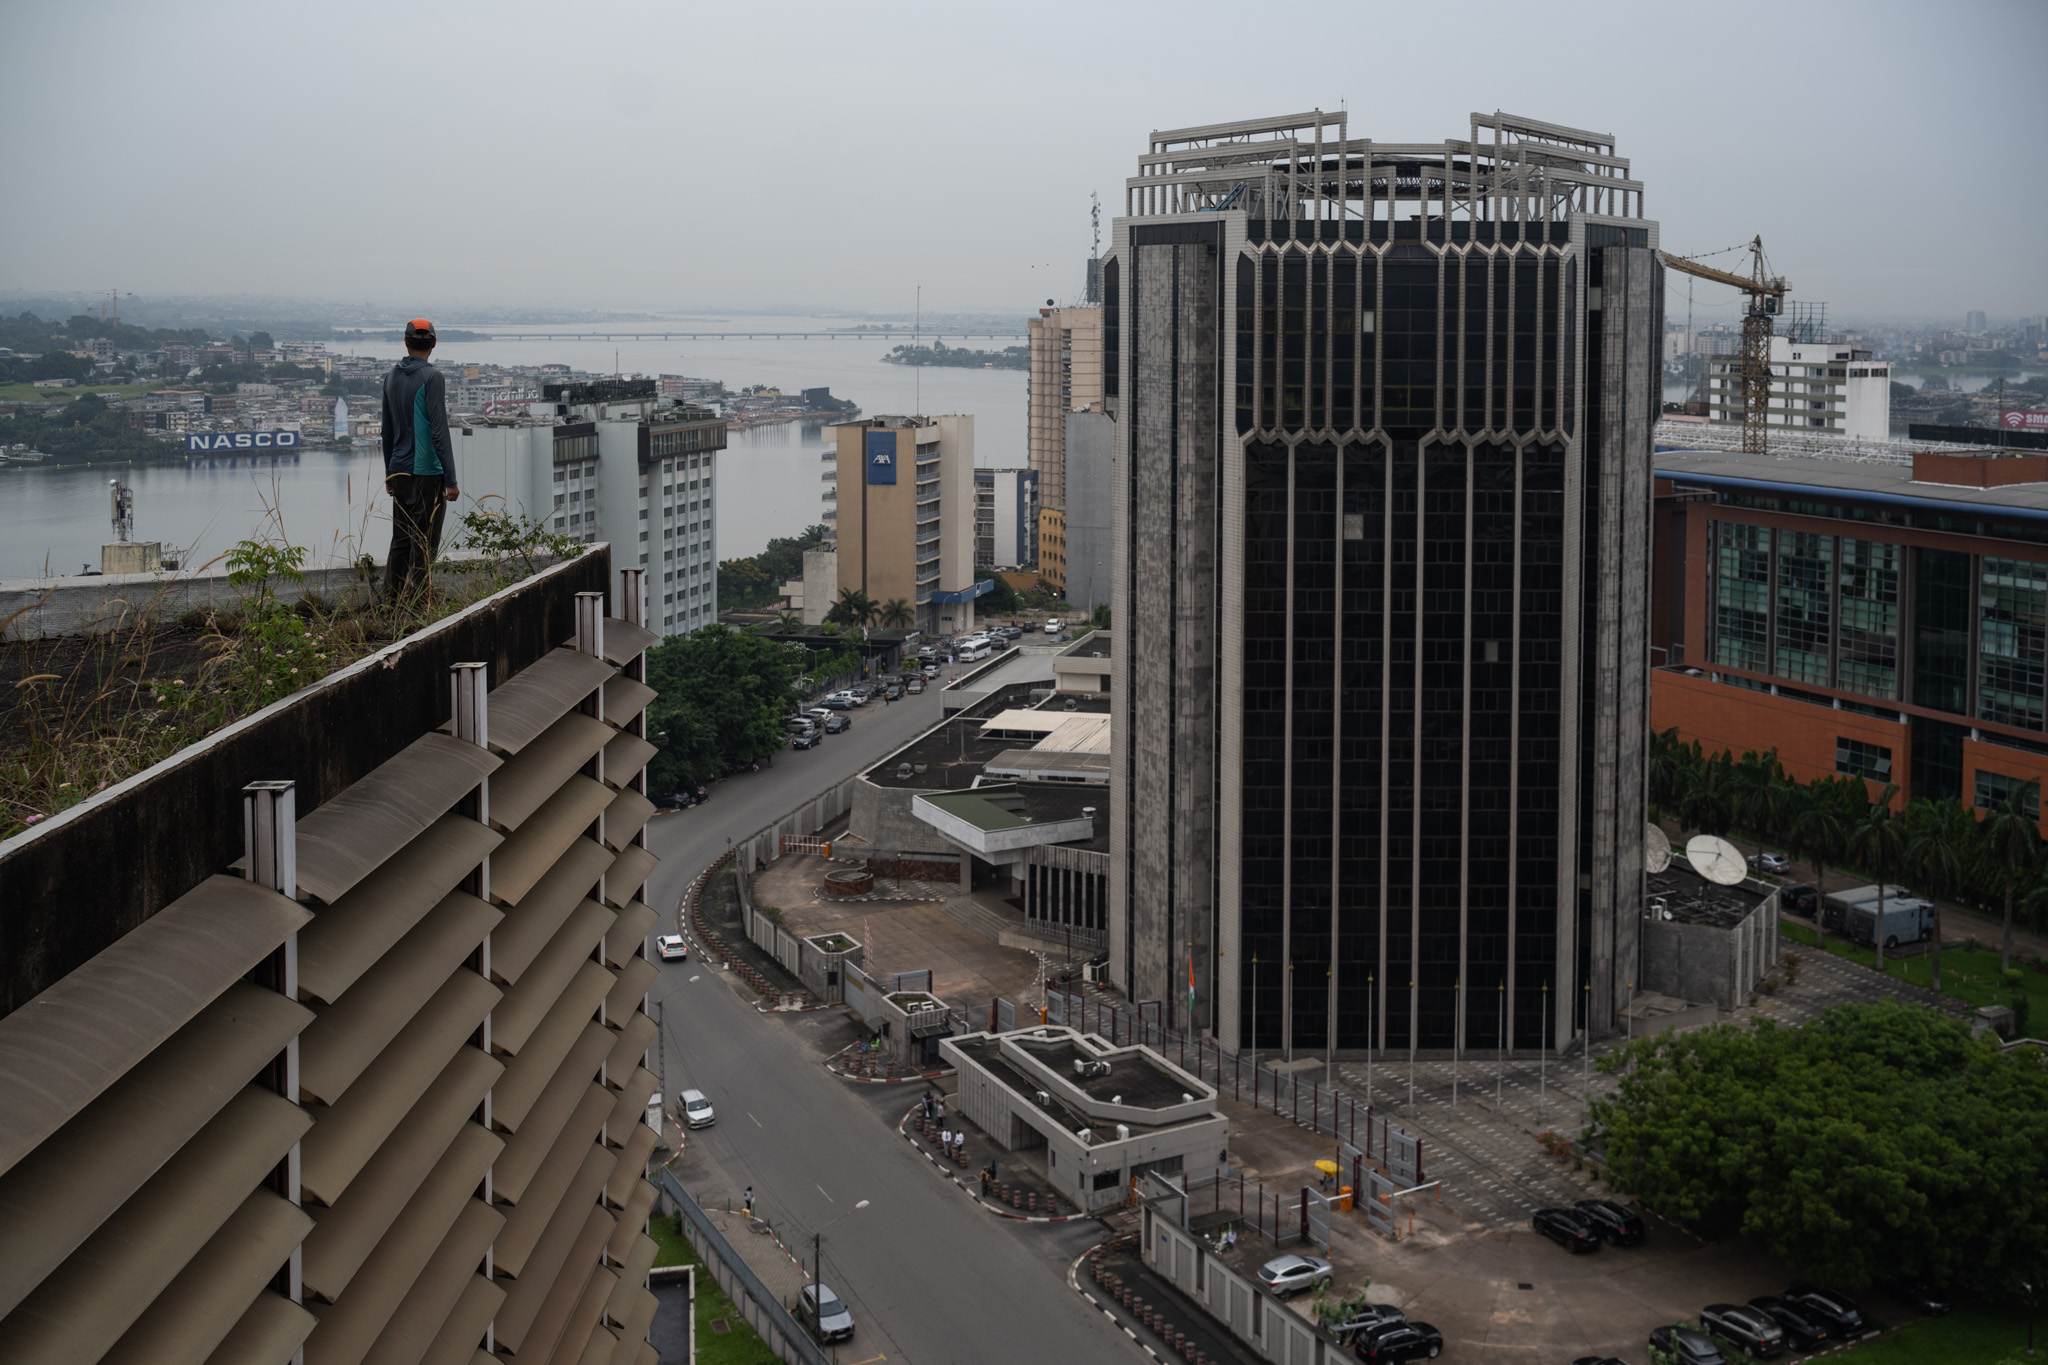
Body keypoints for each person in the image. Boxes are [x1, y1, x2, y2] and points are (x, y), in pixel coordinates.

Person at [379, 318, 459, 600]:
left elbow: (386, 431)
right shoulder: (432, 377)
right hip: (427, 472)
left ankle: (390, 603)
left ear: (406, 342)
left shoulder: (390, 376)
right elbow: (439, 430)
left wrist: (389, 473)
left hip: (399, 470)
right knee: (425, 542)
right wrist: (450, 479)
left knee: (401, 540)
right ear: (433, 344)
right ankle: (417, 603)